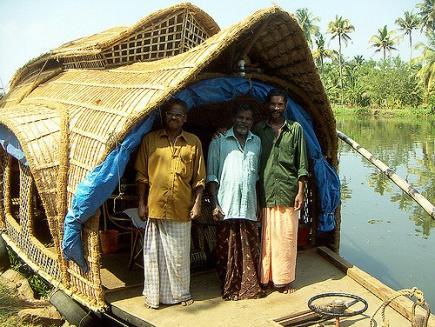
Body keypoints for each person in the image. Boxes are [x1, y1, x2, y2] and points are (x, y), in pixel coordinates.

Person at [135, 98, 205, 308]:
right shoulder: (150, 140)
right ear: (164, 116)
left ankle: (181, 295)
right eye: (170, 114)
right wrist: (141, 202)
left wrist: (197, 204)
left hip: (181, 207)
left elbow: (199, 178)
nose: (174, 118)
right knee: (154, 256)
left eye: (179, 115)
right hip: (155, 207)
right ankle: (154, 296)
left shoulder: (193, 142)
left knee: (179, 256)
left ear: (185, 118)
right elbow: (141, 175)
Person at [253, 89, 308, 294]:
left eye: (280, 104)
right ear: (267, 105)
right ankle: (266, 277)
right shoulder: (259, 129)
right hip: (266, 191)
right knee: (267, 237)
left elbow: (302, 164)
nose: (276, 108)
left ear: (285, 106)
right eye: (273, 104)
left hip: (287, 191)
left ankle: (284, 280)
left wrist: (300, 192)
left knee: (286, 238)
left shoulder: (295, 130)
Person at [207, 104, 263, 301]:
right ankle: (230, 287)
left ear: (252, 122)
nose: (244, 122)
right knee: (227, 248)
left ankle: (249, 286)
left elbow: (256, 177)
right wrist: (215, 204)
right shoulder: (219, 141)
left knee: (250, 246)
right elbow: (212, 176)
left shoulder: (256, 142)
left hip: (248, 205)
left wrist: (258, 203)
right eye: (240, 117)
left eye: (248, 119)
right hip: (227, 204)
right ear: (234, 118)